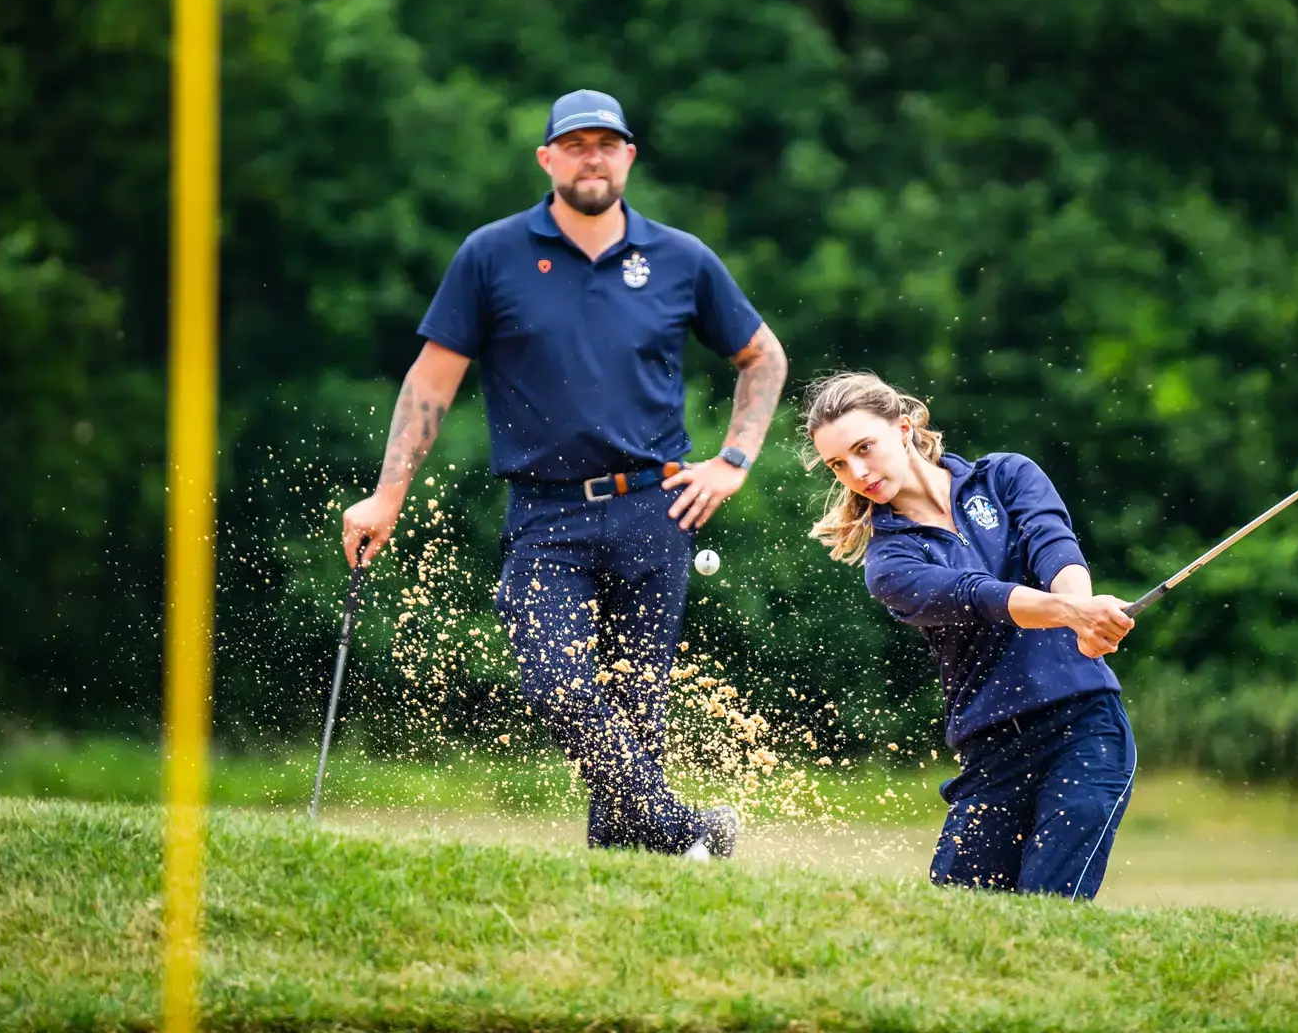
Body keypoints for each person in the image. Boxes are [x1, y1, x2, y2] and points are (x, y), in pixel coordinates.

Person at [341, 89, 789, 861]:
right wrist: (388, 496)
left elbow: (763, 356)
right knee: (558, 684)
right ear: (547, 157)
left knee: (635, 713)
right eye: (575, 144)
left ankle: (619, 893)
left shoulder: (680, 258)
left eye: (606, 144)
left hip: (659, 509)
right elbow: (430, 383)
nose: (592, 157)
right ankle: (690, 829)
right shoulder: (492, 254)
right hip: (545, 515)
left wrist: (733, 461)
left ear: (628, 157)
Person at [802, 371, 1138, 898]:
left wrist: (1082, 609)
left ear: (905, 429)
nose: (858, 472)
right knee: (959, 916)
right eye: (839, 464)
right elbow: (979, 595)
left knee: (1050, 909)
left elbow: (1055, 548)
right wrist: (1074, 615)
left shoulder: (1006, 475)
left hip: (1086, 725)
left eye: (865, 448)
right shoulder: (888, 562)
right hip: (994, 749)